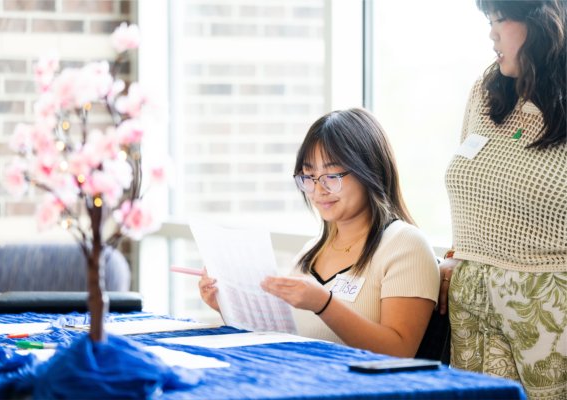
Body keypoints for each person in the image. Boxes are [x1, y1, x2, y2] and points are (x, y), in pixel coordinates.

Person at [199, 108, 440, 357]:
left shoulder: (405, 245)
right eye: (309, 176)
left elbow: (399, 351)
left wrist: (323, 304)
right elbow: (280, 339)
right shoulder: (310, 252)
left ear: (370, 171)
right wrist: (228, 306)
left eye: (332, 176)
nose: (318, 189)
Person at [438, 1, 567, 398]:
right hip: (470, 298)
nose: (491, 33)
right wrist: (460, 253)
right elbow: (473, 181)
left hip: (547, 306)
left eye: (500, 20)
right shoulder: (485, 89)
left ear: (544, 23)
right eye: (487, 20)